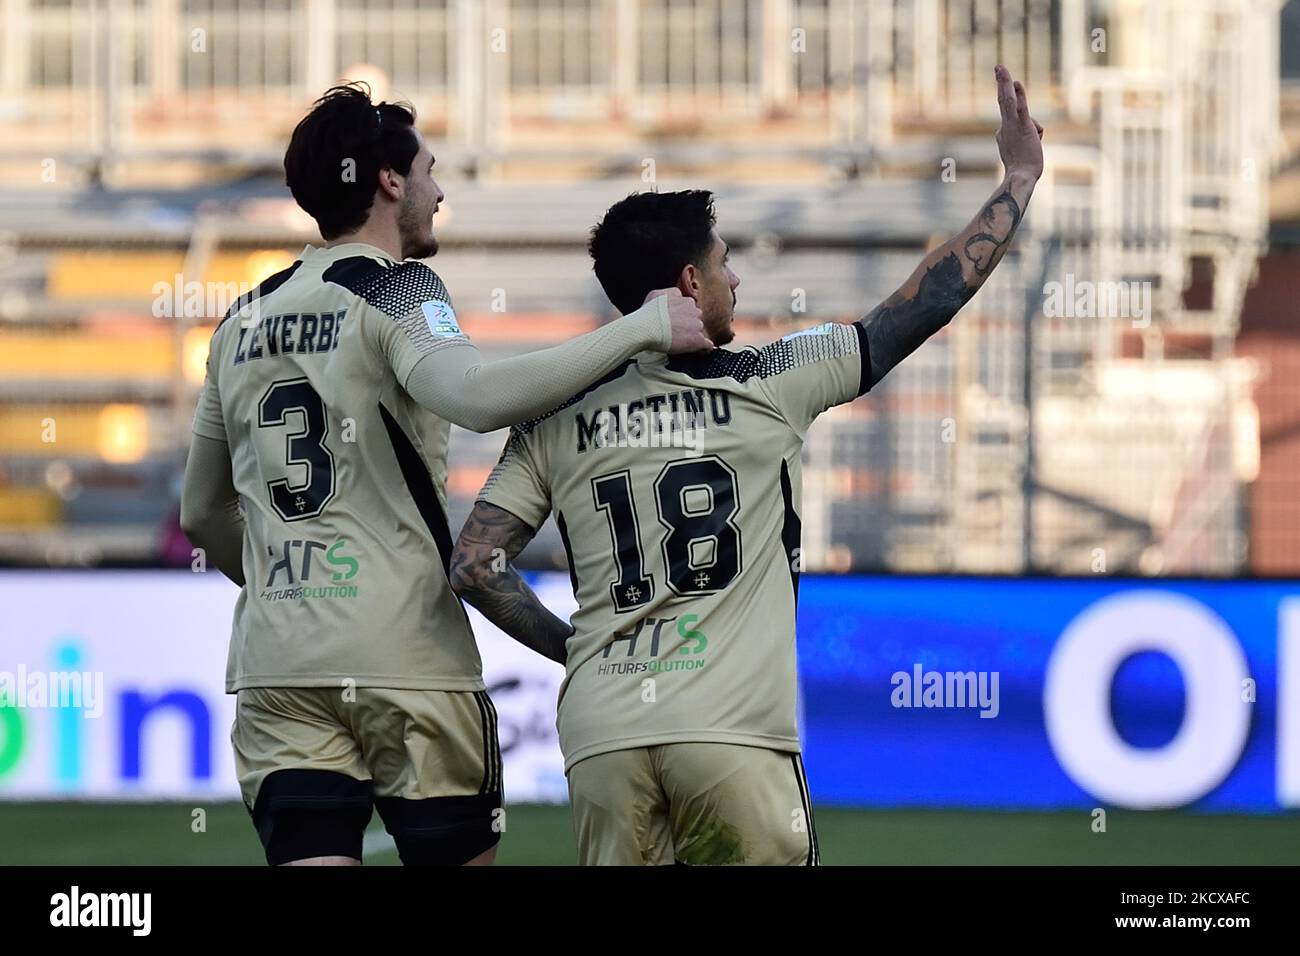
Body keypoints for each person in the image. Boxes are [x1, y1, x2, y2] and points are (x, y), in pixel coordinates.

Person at [448, 66, 1044, 865]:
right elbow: (923, 305)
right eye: (724, 263)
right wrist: (1018, 179)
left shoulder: (557, 414)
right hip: (730, 736)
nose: (737, 278)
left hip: (603, 739)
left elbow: (477, 565)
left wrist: (578, 650)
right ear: (691, 281)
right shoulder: (771, 381)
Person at [179, 83, 710, 866]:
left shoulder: (239, 319)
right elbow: (476, 396)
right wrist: (640, 329)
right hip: (406, 661)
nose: (437, 191)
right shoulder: (397, 287)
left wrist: (283, 588)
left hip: (278, 666)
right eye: (428, 171)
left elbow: (200, 511)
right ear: (389, 182)